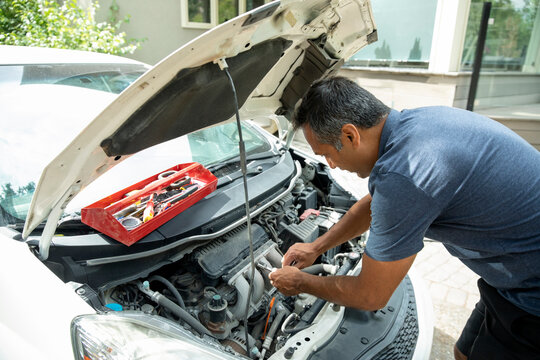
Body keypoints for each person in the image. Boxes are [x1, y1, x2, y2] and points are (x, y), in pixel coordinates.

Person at [268, 76, 540, 359]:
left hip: (531, 293)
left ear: (350, 135)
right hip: (508, 274)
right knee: (463, 352)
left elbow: (371, 295)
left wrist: (300, 282)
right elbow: (373, 204)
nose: (332, 165)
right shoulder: (414, 126)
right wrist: (316, 247)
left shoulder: (406, 174)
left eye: (327, 154)